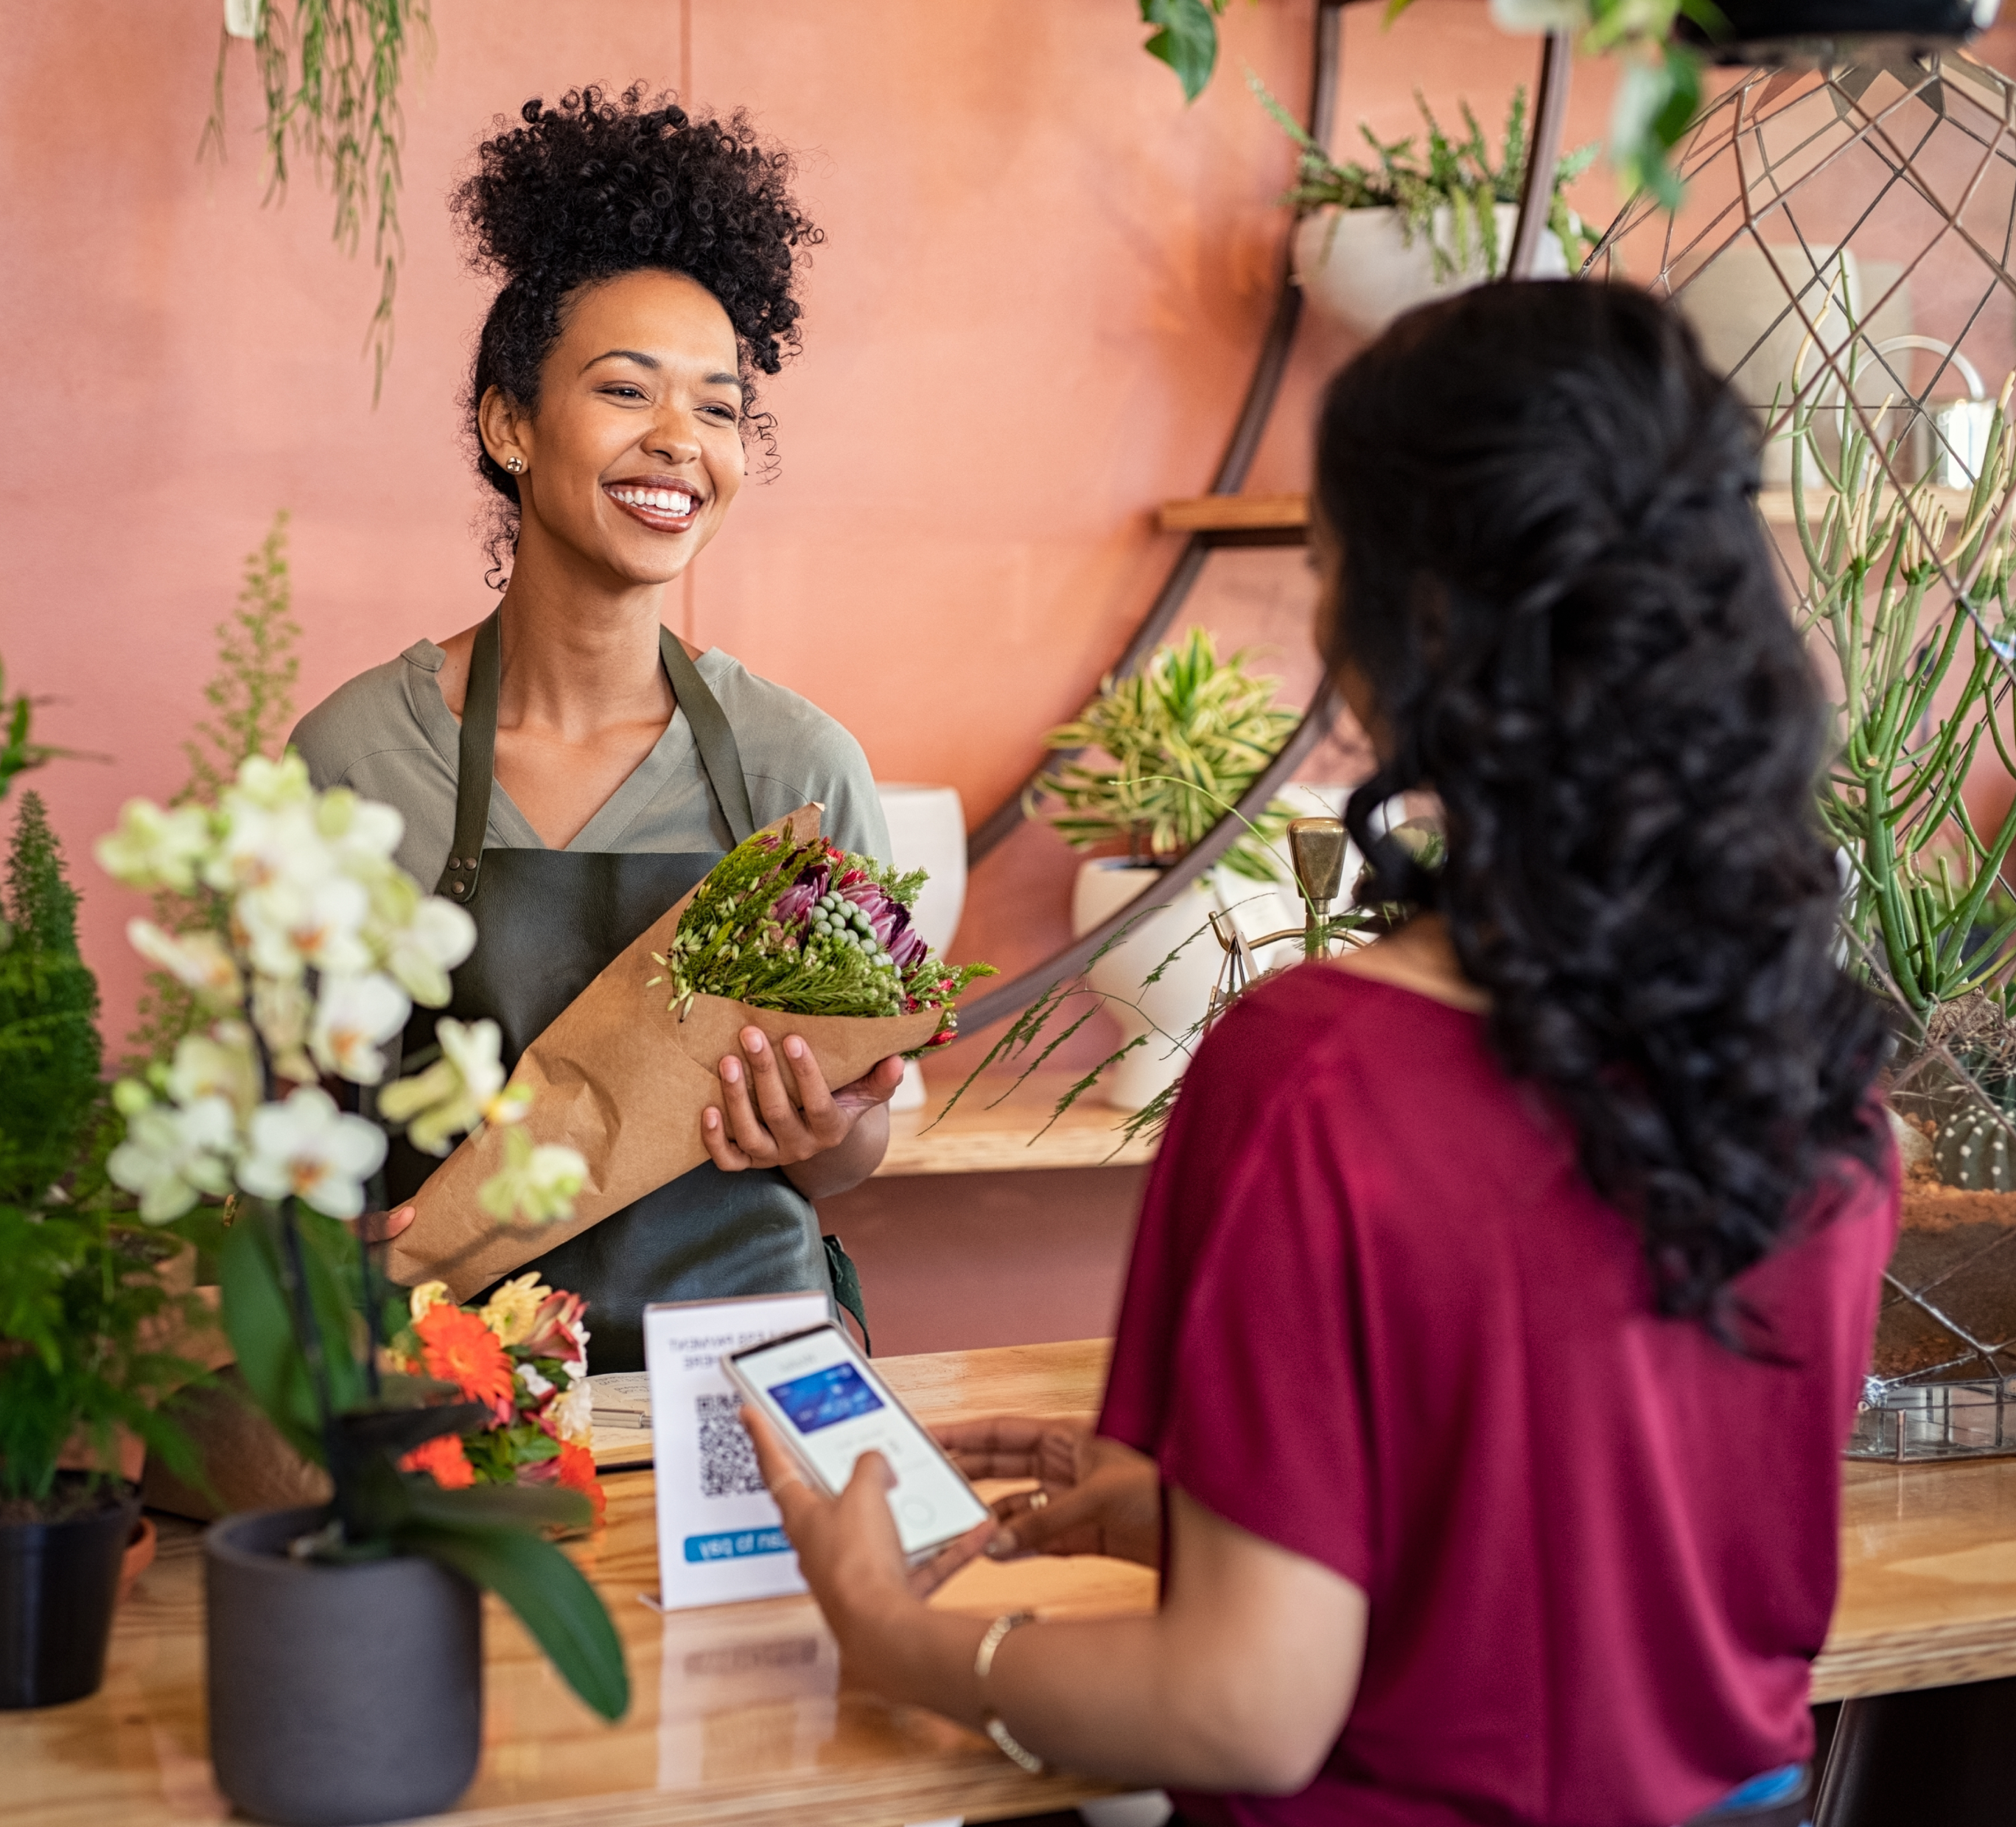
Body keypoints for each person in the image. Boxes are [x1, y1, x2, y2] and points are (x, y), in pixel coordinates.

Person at [746, 282, 1899, 1826]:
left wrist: (893, 1633)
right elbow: (1581, 1551)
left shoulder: (1316, 1079)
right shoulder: (1813, 1069)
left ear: (1406, 630)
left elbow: (1246, 1710)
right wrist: (1206, 1516)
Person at [290, 86, 904, 1372]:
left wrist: (823, 1128)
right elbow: (290, 1137)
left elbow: (849, 1160)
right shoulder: (357, 762)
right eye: (626, 390)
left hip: (740, 1390)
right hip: (460, 1403)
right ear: (508, 425)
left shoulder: (798, 770)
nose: (679, 441)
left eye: (720, 409)